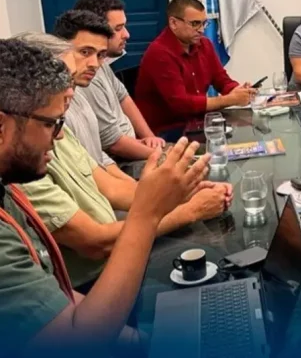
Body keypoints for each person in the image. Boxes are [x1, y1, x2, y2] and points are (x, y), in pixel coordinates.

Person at [0, 38, 213, 356]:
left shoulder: (7, 189)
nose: (60, 134)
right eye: (50, 124)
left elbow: (56, 301)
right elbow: (80, 343)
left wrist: (142, 342)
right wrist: (147, 214)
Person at [13, 32, 232, 292]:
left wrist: (182, 193)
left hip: (120, 250)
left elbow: (114, 189)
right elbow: (95, 243)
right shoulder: (22, 164)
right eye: (64, 81)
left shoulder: (60, 129)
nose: (72, 91)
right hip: (98, 277)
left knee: (221, 256)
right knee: (218, 267)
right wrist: (191, 210)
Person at [135, 0, 255, 133]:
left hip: (199, 122)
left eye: (204, 23)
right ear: (173, 23)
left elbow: (221, 80)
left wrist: (239, 91)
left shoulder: (204, 44)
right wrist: (230, 100)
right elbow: (181, 104)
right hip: (167, 130)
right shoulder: (159, 53)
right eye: (195, 24)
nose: (201, 30)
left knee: (249, 130)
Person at [73, 0, 166, 161]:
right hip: (122, 159)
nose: (126, 34)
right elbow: (114, 144)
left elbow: (123, 97)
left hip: (136, 147)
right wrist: (162, 156)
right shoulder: (87, 76)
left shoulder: (102, 63)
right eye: (118, 29)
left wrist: (150, 138)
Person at [49, 10, 133, 183]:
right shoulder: (54, 110)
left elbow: (98, 157)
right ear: (59, 49)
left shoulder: (79, 97)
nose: (94, 64)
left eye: (100, 55)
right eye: (85, 52)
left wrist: (134, 185)